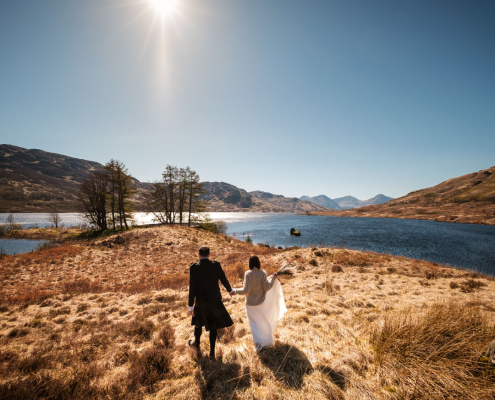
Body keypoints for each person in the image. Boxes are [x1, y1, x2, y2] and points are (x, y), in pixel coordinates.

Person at [188, 245, 234, 359]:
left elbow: (192, 288)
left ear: (199, 255)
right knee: (213, 326)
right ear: (209, 254)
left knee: (198, 325)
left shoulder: (193, 268)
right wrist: (230, 290)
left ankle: (197, 345)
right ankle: (212, 353)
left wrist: (190, 305)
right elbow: (223, 279)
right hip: (214, 301)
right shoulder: (216, 265)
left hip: (200, 302)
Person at [233, 256, 287, 351]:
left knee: (253, 324)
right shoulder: (263, 273)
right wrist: (273, 278)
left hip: (250, 304)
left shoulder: (248, 274)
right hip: (260, 303)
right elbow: (267, 287)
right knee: (261, 322)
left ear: (250, 263)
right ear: (258, 263)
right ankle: (266, 340)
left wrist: (235, 291)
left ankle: (258, 345)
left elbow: (246, 290)